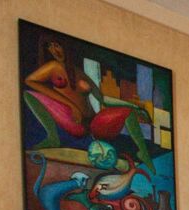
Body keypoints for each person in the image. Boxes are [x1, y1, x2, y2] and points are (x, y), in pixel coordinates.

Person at [23, 37, 155, 169]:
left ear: (64, 47)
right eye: (50, 47)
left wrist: (135, 107)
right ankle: (52, 137)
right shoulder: (52, 66)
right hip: (72, 120)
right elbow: (30, 81)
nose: (54, 50)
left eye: (56, 45)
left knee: (128, 112)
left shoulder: (79, 72)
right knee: (28, 95)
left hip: (93, 124)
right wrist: (71, 105)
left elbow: (102, 99)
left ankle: (143, 153)